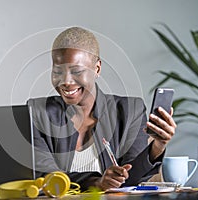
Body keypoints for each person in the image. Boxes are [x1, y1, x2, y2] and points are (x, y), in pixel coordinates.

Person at [28, 27, 177, 191]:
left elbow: (132, 178)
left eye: (76, 71)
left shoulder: (129, 111)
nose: (66, 81)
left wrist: (158, 146)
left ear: (97, 68)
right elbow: (43, 175)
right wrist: (96, 182)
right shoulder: (37, 112)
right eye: (58, 71)